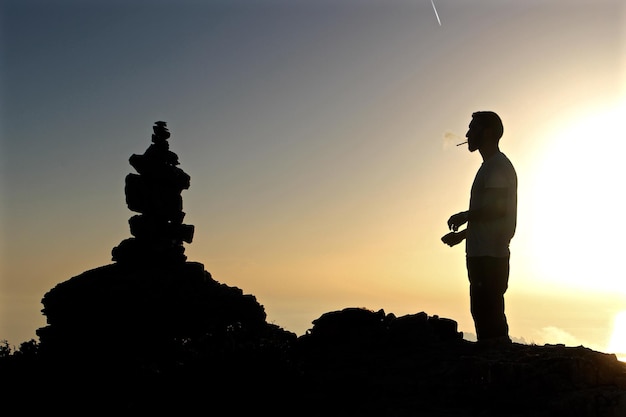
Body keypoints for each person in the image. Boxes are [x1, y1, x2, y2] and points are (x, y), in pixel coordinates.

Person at [441, 111, 517, 346]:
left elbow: (496, 209)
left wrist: (465, 216)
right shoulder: (491, 166)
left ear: (488, 133)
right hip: (484, 253)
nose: (467, 134)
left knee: (489, 319)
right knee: (485, 315)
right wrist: (464, 235)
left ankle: (497, 374)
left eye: (473, 129)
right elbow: (491, 215)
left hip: (489, 256)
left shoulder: (497, 166)